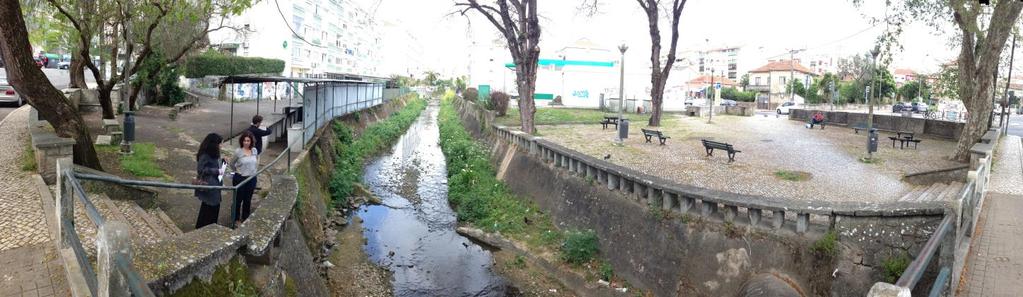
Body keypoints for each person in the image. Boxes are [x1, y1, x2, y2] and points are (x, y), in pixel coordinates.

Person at [194, 133, 226, 229]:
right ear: (214, 144)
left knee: (212, 208)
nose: (221, 146)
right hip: (209, 186)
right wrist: (216, 171)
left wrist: (223, 162)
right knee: (209, 208)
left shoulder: (214, 153)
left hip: (215, 185)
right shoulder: (205, 155)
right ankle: (204, 228)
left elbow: (215, 164)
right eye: (220, 143)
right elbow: (201, 170)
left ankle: (210, 226)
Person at [230, 131, 259, 225]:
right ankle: (236, 219)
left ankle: (245, 217)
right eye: (244, 140)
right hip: (240, 178)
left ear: (251, 142)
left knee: (248, 199)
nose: (246, 142)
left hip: (252, 178)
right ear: (241, 141)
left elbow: (255, 163)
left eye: (248, 141)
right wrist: (238, 171)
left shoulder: (254, 150)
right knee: (238, 200)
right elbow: (232, 164)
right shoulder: (238, 152)